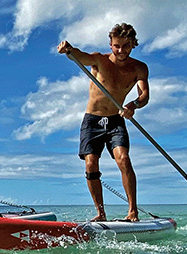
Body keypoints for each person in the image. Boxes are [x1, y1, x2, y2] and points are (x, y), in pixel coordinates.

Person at [57, 23, 150, 222]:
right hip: (92, 120)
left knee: (123, 159)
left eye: (126, 46)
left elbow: (144, 96)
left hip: (116, 120)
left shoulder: (139, 68)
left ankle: (133, 211)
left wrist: (133, 105)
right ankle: (100, 213)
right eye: (116, 45)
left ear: (133, 44)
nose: (120, 50)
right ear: (110, 44)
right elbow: (80, 56)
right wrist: (69, 49)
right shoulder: (99, 60)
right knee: (91, 165)